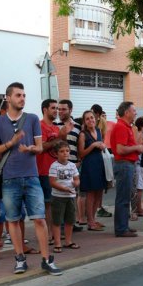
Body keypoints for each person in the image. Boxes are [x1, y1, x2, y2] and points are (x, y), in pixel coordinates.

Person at [0, 82, 62, 276]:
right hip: (9, 178)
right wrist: (10, 143)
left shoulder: (31, 119)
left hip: (31, 177)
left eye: (24, 95)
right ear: (8, 98)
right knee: (13, 220)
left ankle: (47, 260)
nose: (22, 98)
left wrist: (33, 149)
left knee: (39, 219)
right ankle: (20, 259)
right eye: (18, 95)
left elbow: (39, 147)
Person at [37, 99, 73, 243]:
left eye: (57, 108)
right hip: (44, 170)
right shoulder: (40, 126)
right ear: (45, 109)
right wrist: (59, 137)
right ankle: (49, 234)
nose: (56, 111)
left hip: (57, 170)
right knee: (48, 203)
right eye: (53, 108)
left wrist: (63, 135)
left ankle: (55, 233)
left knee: (56, 203)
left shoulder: (56, 128)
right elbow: (43, 146)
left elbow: (61, 146)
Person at [110, 101, 143, 237]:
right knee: (123, 198)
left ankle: (123, 226)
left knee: (125, 197)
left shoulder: (126, 127)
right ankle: (121, 229)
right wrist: (136, 147)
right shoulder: (121, 127)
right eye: (133, 110)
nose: (135, 113)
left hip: (127, 164)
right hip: (124, 164)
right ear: (127, 112)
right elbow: (120, 149)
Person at [78, 110, 108, 231]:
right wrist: (93, 146)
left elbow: (101, 146)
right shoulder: (83, 134)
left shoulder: (99, 131)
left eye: (92, 118)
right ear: (84, 121)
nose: (91, 120)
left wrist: (102, 146)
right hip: (89, 166)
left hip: (100, 164)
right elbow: (81, 153)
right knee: (90, 194)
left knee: (99, 193)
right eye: (87, 119)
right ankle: (90, 221)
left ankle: (94, 219)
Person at [57, 99, 84, 231]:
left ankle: (70, 223)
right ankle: (61, 225)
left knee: (73, 194)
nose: (60, 112)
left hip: (73, 165)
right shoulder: (55, 124)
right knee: (60, 196)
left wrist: (78, 161)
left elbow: (79, 145)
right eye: (59, 109)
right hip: (59, 166)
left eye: (63, 109)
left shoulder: (78, 126)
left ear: (70, 110)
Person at [49, 141, 80, 252]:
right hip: (58, 197)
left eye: (67, 151)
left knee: (70, 220)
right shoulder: (54, 166)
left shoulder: (72, 165)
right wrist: (64, 189)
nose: (65, 153)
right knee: (57, 220)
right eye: (61, 151)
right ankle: (57, 243)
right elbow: (52, 182)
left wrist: (76, 183)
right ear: (56, 153)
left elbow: (76, 178)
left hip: (70, 197)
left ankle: (68, 241)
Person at [91, 104, 113, 218]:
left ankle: (98, 208)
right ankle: (92, 211)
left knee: (100, 187)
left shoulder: (100, 126)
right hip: (97, 155)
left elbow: (102, 138)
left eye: (93, 112)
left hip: (102, 153)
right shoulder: (90, 127)